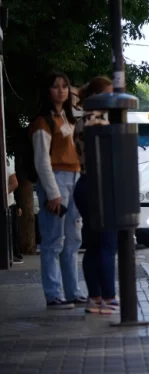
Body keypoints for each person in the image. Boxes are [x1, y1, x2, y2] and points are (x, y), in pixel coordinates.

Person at [31, 71, 85, 309]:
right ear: (47, 90)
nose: (62, 90)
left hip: (74, 178)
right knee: (54, 241)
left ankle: (73, 291)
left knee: (73, 240)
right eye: (56, 86)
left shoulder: (69, 119)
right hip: (55, 180)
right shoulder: (43, 122)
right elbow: (42, 160)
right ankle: (54, 294)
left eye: (65, 86)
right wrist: (53, 193)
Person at [73, 76, 118, 314]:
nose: (114, 99)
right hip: (99, 186)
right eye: (110, 94)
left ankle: (96, 297)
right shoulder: (98, 120)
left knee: (93, 245)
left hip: (84, 183)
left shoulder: (82, 121)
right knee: (106, 243)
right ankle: (108, 297)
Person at [6, 155, 23, 264]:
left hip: (9, 202)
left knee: (12, 232)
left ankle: (15, 254)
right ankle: (14, 254)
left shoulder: (7, 161)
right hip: (10, 201)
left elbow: (15, 183)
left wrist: (18, 204)